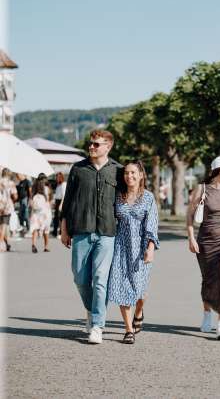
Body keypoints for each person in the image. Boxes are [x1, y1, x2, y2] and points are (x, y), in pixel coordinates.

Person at [61, 130, 123, 345]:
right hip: (81, 229)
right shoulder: (78, 169)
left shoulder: (118, 170)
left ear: (108, 147)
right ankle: (91, 309)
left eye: (97, 144)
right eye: (91, 143)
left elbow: (127, 201)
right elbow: (67, 200)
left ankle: (97, 325)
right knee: (79, 278)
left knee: (100, 280)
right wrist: (63, 227)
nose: (92, 147)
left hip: (107, 232)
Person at [187, 156, 220, 340]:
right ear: (219, 170)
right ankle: (207, 314)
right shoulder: (201, 189)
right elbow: (190, 215)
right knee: (208, 280)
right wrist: (191, 238)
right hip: (206, 241)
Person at [107, 161, 159, 344]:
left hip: (141, 248)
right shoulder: (117, 196)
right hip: (120, 247)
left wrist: (150, 248)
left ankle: (139, 311)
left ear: (141, 175)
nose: (129, 176)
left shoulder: (148, 198)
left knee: (140, 292)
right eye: (126, 173)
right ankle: (128, 330)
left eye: (133, 173)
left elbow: (152, 224)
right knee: (122, 287)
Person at [30, 179, 51, 253]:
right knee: (46, 229)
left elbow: (31, 204)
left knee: (35, 229)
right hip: (44, 213)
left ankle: (33, 244)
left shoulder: (33, 194)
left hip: (35, 214)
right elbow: (49, 201)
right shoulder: (45, 193)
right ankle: (46, 246)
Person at [0, 168, 18, 252]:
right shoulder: (11, 183)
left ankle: (6, 243)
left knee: (2, 225)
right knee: (4, 225)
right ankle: (1, 243)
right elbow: (15, 196)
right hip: (6, 206)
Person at [52, 172, 67, 237]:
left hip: (61, 201)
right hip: (57, 201)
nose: (56, 179)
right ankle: (55, 232)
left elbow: (64, 195)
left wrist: (61, 204)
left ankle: (61, 232)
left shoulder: (63, 184)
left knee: (60, 218)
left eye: (57, 177)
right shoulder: (58, 185)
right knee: (56, 218)